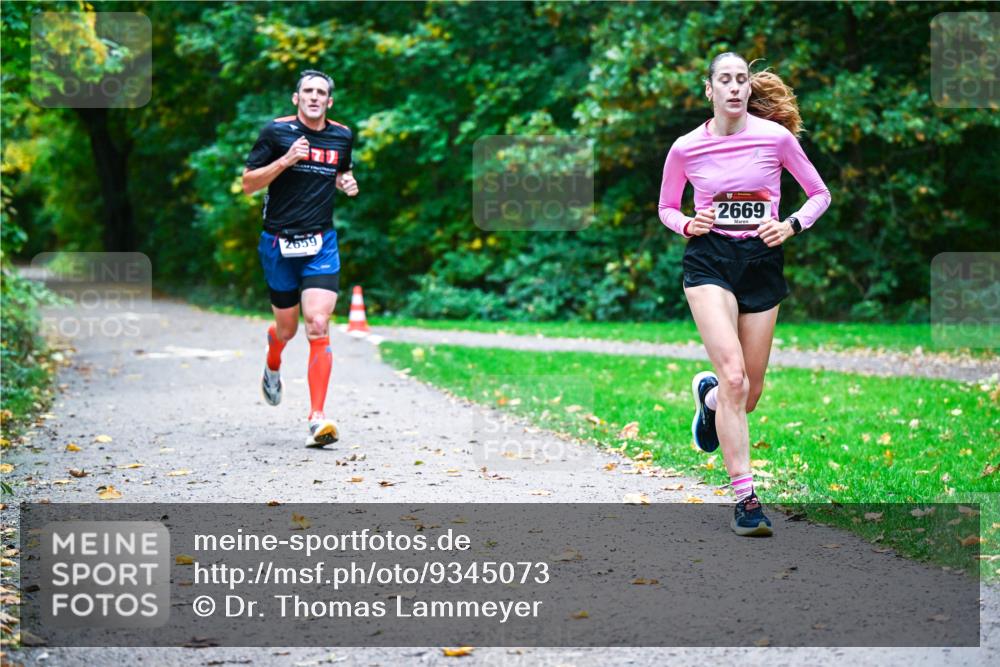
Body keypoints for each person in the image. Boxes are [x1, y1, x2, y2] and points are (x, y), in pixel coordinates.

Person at [658, 53, 831, 536]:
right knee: (734, 377)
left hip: (760, 262)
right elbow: (666, 206)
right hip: (709, 260)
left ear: (748, 90)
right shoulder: (685, 148)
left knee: (747, 394)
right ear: (709, 89)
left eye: (741, 80)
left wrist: (791, 224)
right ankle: (746, 500)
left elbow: (820, 194)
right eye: (725, 80)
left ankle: (709, 401)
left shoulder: (775, 138)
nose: (735, 88)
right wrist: (688, 223)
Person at [242, 69, 359, 447]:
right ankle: (273, 360)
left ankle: (317, 418)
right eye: (307, 91)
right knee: (288, 330)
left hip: (320, 244)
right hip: (278, 244)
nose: (313, 97)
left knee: (318, 324)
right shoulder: (275, 133)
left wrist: (346, 181)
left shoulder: (341, 136)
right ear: (296, 98)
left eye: (320, 92)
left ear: (329, 101)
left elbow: (341, 171)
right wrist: (285, 161)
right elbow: (248, 184)